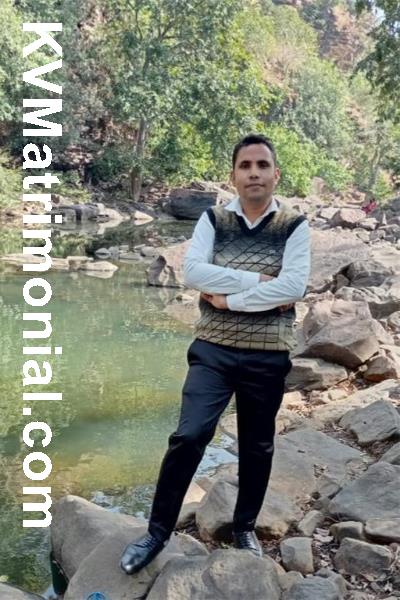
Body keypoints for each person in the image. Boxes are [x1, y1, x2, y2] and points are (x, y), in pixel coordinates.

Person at [120, 133, 311, 575]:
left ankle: (244, 527)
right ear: (233, 175)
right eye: (245, 166)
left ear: (276, 174)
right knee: (188, 436)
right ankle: (157, 532)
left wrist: (228, 299)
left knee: (257, 446)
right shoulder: (213, 219)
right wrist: (259, 283)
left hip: (268, 354)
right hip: (213, 351)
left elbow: (294, 286)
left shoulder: (294, 226)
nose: (254, 173)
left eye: (262, 165)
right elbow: (193, 272)